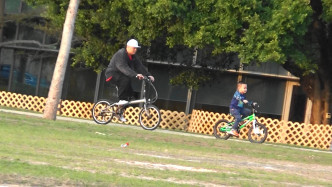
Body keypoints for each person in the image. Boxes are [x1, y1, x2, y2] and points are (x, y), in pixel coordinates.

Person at [105, 39, 155, 122]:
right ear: (128, 47)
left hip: (123, 76)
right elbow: (123, 67)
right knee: (125, 80)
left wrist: (148, 75)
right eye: (134, 48)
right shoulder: (121, 54)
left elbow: (140, 67)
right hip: (112, 74)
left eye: (136, 48)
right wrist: (135, 74)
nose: (135, 50)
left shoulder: (134, 57)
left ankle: (119, 112)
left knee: (130, 95)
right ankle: (121, 99)